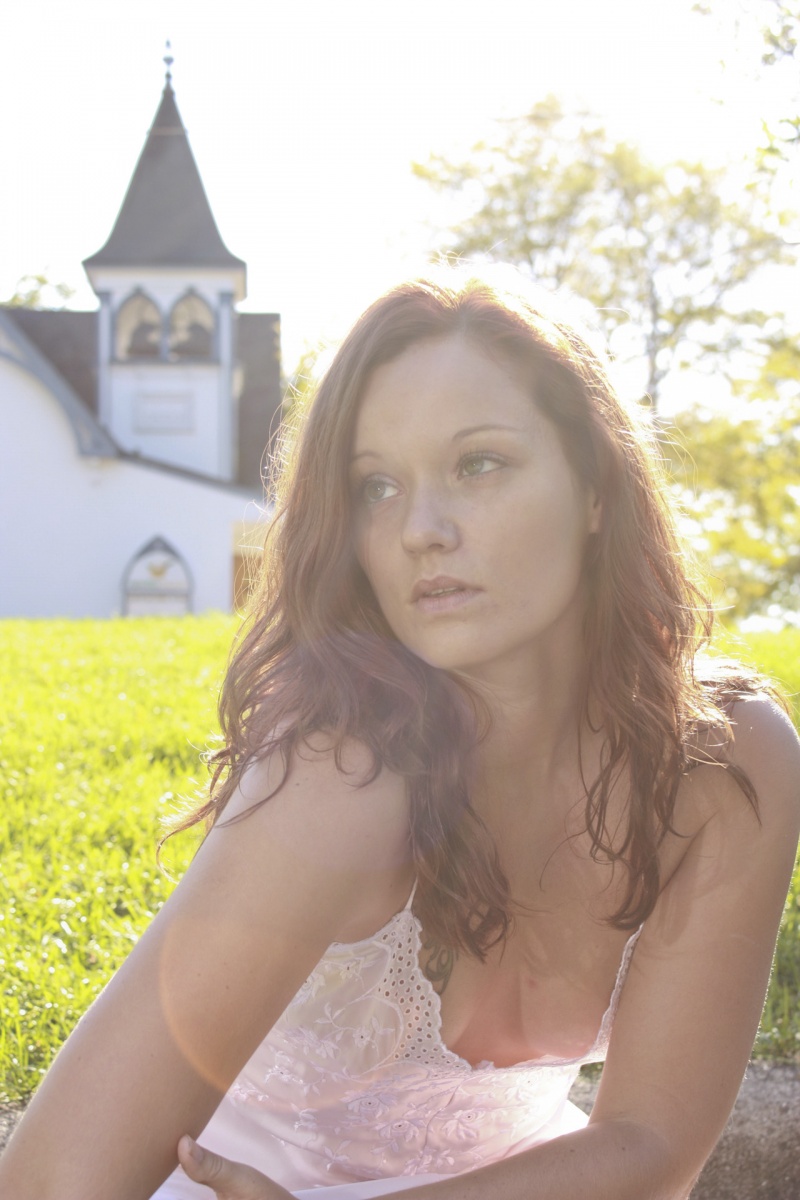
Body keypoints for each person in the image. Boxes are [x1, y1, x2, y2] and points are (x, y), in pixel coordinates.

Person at [2, 269, 799, 1200]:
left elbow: (653, 1146)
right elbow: (52, 1182)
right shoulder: (343, 777)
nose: (421, 528)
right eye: (377, 485)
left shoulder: (725, 763)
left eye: (479, 464)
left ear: (594, 485)